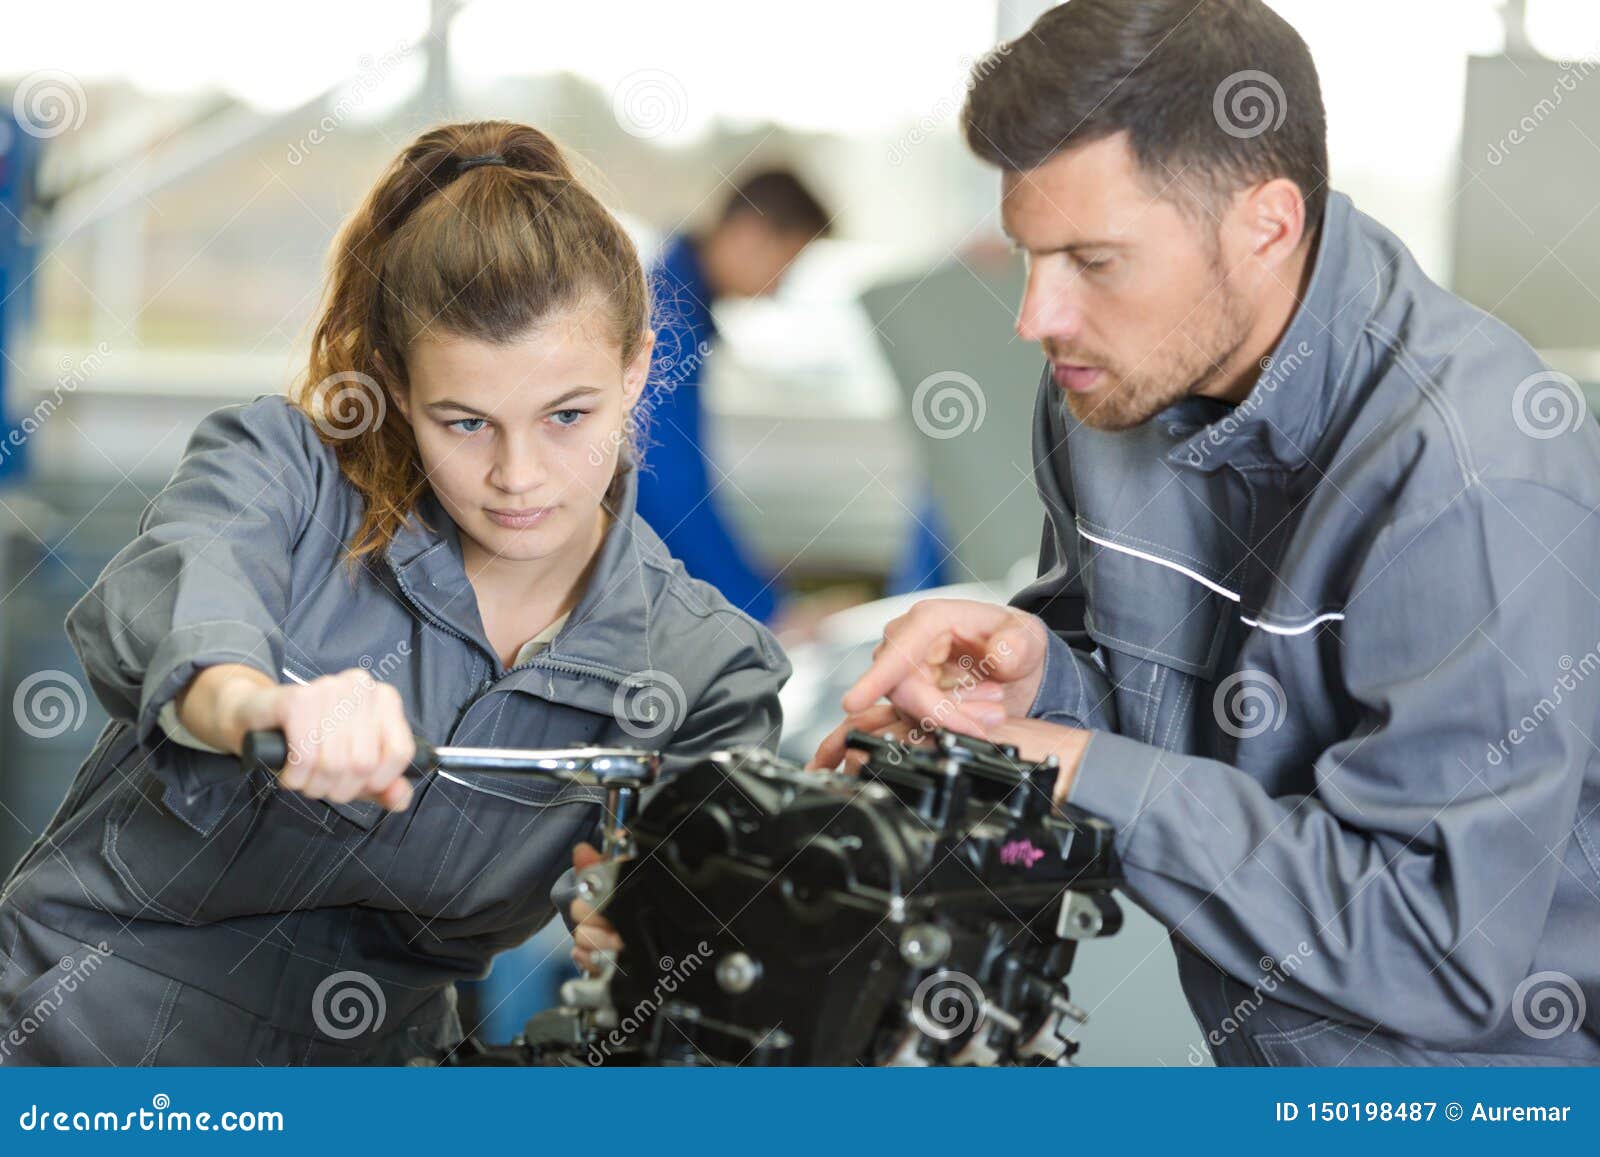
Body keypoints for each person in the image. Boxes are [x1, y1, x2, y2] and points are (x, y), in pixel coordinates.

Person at [814, 0, 1600, 1065]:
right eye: (1028, 253)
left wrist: (1075, 768)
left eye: (1093, 259)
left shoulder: (1471, 470)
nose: (1035, 316)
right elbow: (1167, 724)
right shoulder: (1105, 385)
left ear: (1265, 224)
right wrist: (1035, 682)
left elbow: (1435, 945)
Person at [0, 120, 788, 1065]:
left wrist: (660, 937)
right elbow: (189, 607)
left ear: (637, 371)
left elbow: (716, 932)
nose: (518, 475)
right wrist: (264, 704)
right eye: (465, 422)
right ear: (397, 390)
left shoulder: (704, 669)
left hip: (373, 1076)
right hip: (76, 1044)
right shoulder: (280, 475)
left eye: (568, 415)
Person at [637, 170, 830, 629]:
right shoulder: (668, 318)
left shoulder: (673, 296)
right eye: (787, 261)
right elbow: (666, 483)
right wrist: (767, 611)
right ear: (748, 234)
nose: (781, 285)